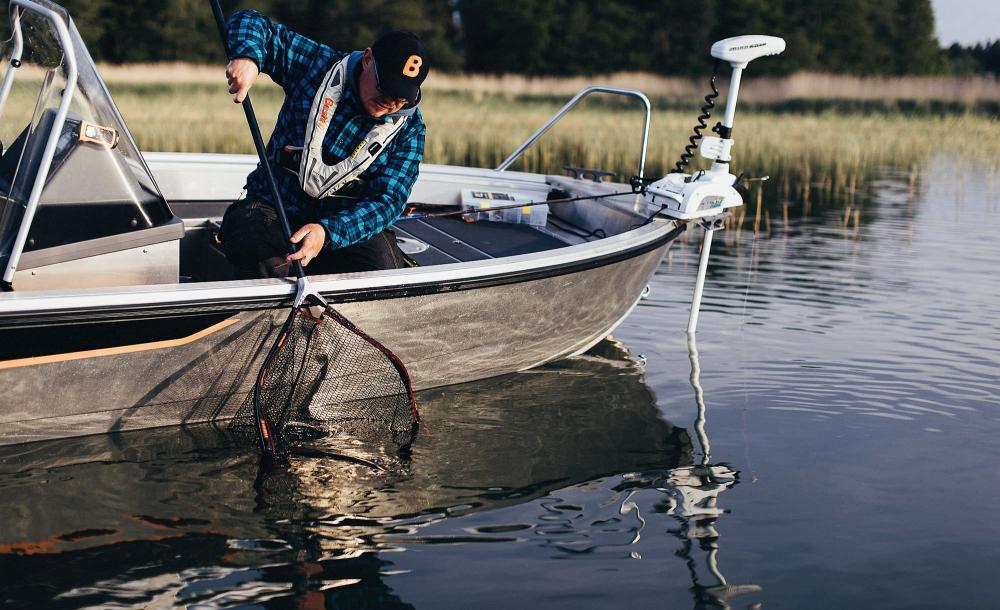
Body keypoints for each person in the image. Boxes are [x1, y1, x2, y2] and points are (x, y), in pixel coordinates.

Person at [218, 10, 428, 278]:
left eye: (401, 99)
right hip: (276, 205)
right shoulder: (316, 64)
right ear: (367, 59)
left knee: (383, 272)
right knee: (256, 245)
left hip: (341, 224)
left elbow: (387, 201)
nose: (391, 104)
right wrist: (248, 58)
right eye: (384, 89)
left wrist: (328, 233)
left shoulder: (410, 129)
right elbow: (248, 21)